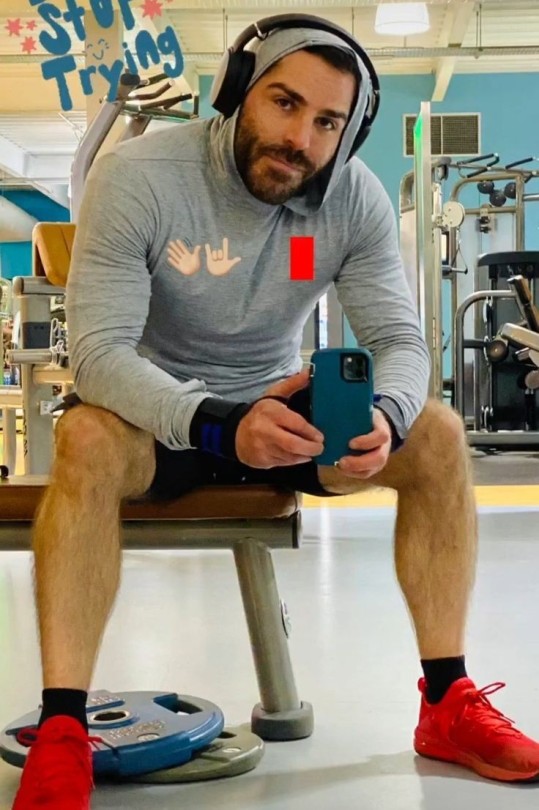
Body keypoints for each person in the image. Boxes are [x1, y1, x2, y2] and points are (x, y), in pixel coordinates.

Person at [11, 13, 539, 810]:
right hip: (153, 420)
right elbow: (99, 354)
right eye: (284, 103)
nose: (299, 138)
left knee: (434, 433)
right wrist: (220, 423)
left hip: (282, 414)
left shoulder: (349, 197)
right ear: (238, 91)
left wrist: (388, 417)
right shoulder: (139, 176)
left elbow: (400, 338)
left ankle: (445, 701)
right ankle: (62, 728)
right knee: (83, 434)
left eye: (327, 121)